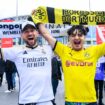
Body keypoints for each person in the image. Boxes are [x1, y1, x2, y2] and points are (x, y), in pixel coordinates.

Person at [37, 24, 105, 105]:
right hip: (70, 101)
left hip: (90, 101)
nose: (76, 37)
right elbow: (46, 35)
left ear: (85, 37)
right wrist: (38, 21)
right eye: (73, 35)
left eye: (80, 35)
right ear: (69, 38)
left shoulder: (94, 51)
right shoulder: (63, 51)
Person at [2, 21, 54, 105]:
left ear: (37, 33)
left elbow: (55, 41)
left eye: (32, 30)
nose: (29, 33)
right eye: (26, 31)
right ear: (21, 35)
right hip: (26, 101)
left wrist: (41, 25)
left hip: (47, 100)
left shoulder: (48, 49)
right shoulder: (16, 50)